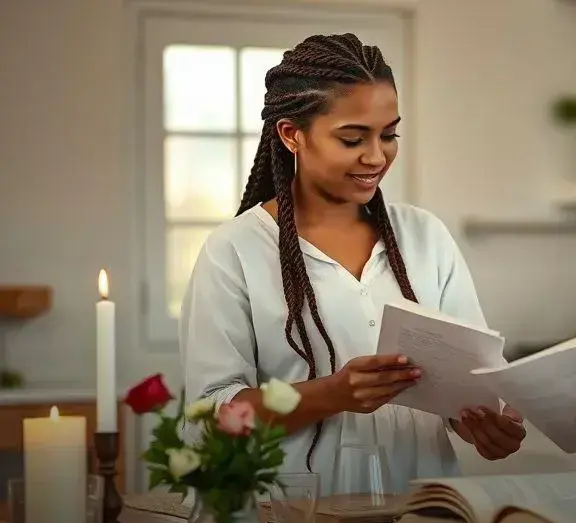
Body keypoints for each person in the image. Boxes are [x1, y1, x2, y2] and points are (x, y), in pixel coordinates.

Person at [179, 33, 525, 494]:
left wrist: (487, 423)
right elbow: (211, 419)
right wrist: (331, 395)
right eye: (352, 138)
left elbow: (471, 383)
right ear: (291, 135)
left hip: (422, 515)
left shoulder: (425, 238)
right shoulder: (235, 251)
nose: (377, 156)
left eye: (389, 134)